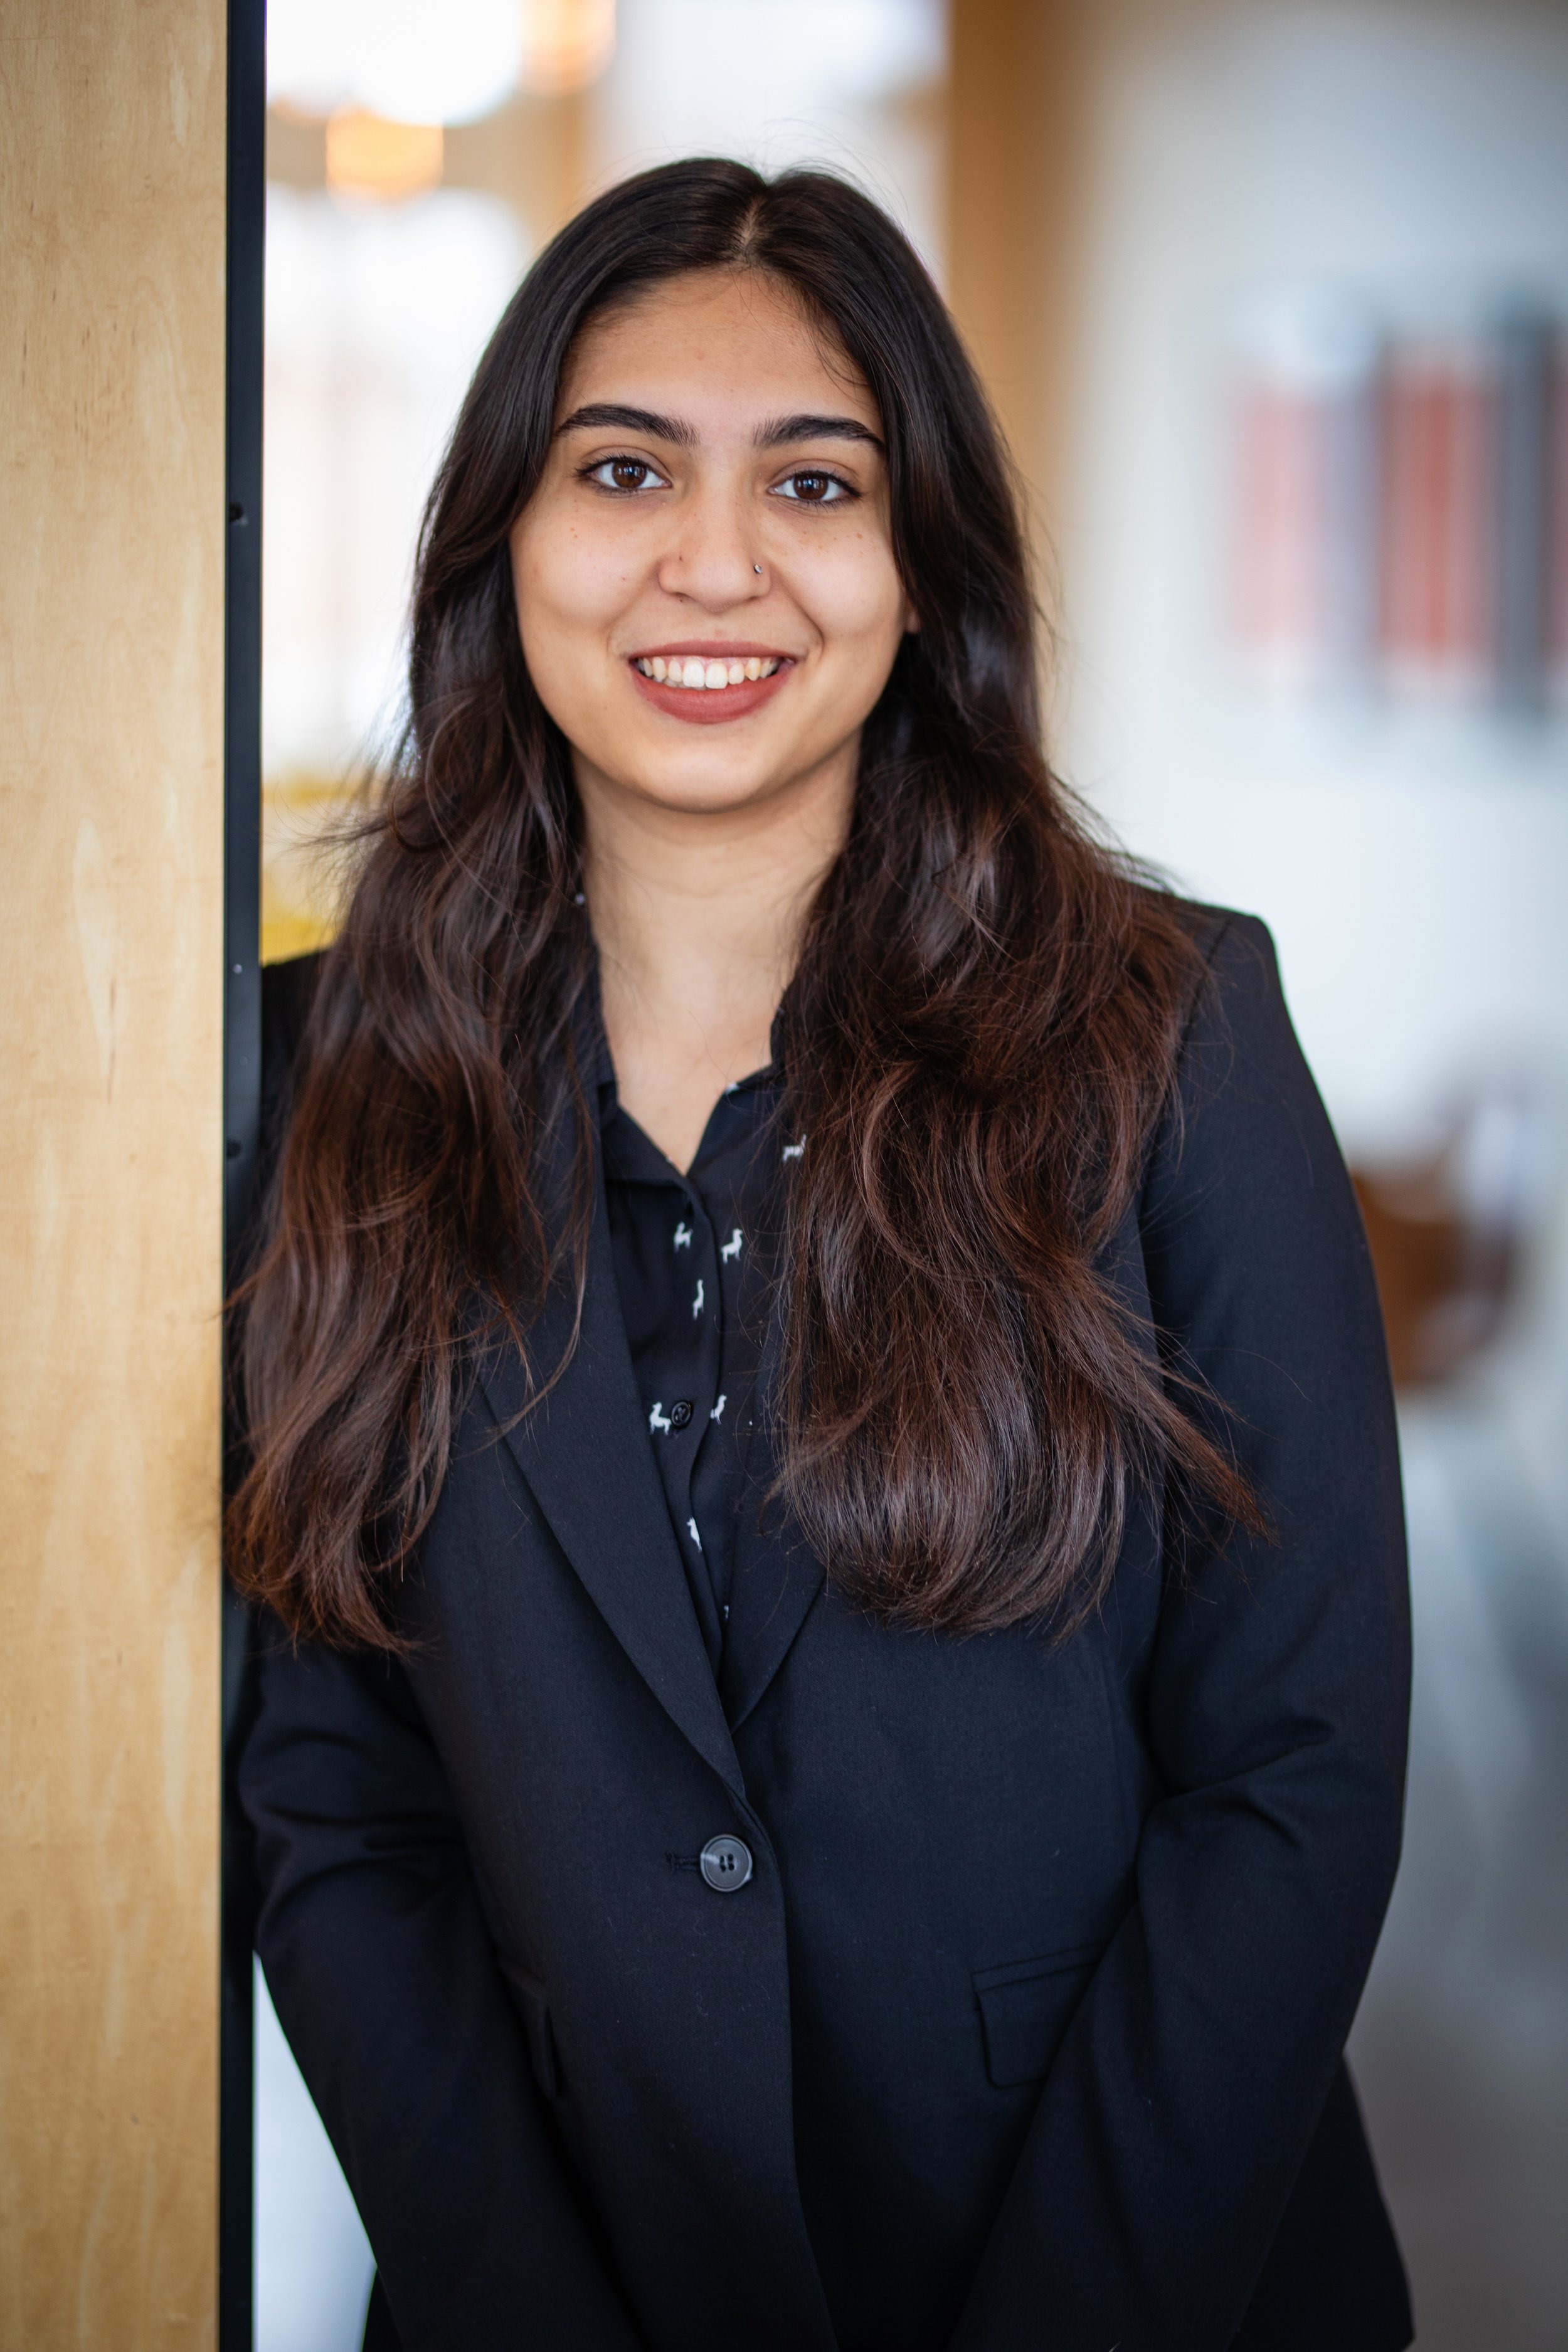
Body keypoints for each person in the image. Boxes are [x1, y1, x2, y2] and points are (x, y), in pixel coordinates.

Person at [231, 159, 1413, 2352]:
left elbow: (1294, 1772)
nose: (714, 561)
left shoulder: (1167, 1031)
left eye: (814, 478)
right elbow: (335, 1800)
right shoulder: (311, 1070)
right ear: (506, 536)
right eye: (620, 468)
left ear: (914, 559)